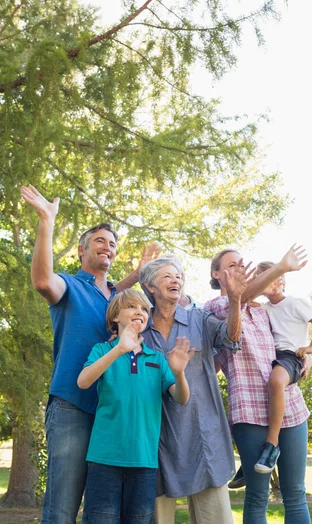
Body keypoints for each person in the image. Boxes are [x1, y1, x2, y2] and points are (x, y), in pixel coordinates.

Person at [20, 184, 160, 524]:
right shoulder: (69, 285)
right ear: (82, 250)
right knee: (63, 507)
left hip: (110, 412)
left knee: (101, 511)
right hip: (72, 405)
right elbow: (42, 281)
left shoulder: (114, 297)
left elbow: (116, 295)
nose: (107, 247)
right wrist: (46, 221)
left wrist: (141, 270)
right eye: (100, 241)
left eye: (112, 244)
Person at [138, 255, 251, 524]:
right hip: (155, 439)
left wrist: (235, 300)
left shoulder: (199, 319)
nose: (175, 280)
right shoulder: (139, 327)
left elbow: (231, 338)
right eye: (167, 276)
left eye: (178, 276)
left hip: (204, 437)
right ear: (150, 287)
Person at [204, 246, 312, 524]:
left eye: (242, 264)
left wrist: (304, 358)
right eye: (231, 265)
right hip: (249, 410)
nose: (239, 269)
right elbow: (238, 300)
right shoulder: (213, 308)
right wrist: (280, 267)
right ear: (216, 274)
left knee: (295, 493)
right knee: (257, 495)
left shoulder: (264, 312)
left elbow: (286, 345)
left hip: (289, 405)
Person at [77, 289, 194, 524]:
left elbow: (181, 398)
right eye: (132, 307)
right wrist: (120, 349)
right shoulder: (102, 351)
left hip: (144, 462)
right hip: (104, 459)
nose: (139, 311)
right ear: (115, 317)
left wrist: (179, 373)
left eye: (143, 308)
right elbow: (83, 381)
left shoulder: (157, 358)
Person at [254, 261, 312, 474]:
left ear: (283, 279)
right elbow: (245, 300)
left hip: (292, 356)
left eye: (276, 276)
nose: (273, 282)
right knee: (267, 391)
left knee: (276, 382)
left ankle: (272, 444)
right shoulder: (264, 309)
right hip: (272, 357)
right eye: (266, 279)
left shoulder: (295, 302)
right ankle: (252, 456)